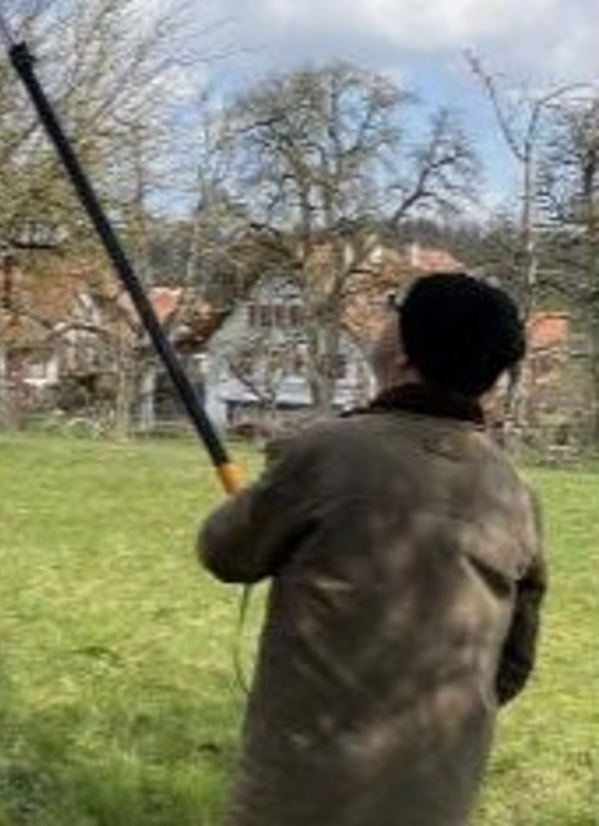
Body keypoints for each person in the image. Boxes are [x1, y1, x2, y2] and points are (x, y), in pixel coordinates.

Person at [197, 272, 546, 825]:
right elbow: (514, 663)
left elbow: (223, 551)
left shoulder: (325, 451)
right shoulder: (515, 494)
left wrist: (282, 477)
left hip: (301, 793)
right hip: (436, 796)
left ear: (404, 350)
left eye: (394, 310)